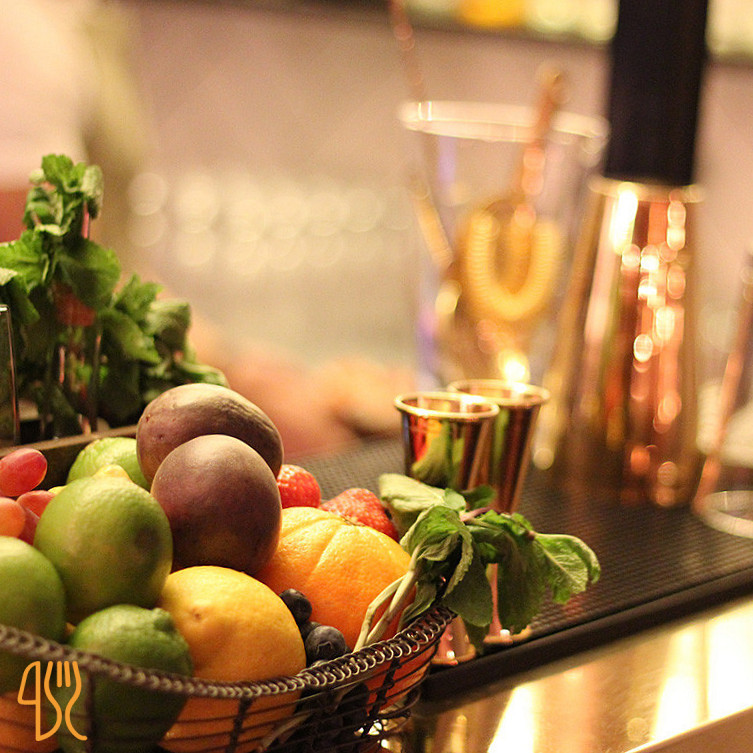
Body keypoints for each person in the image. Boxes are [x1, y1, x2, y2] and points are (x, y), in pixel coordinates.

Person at [0, 0, 411, 459]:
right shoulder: (16, 32)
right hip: (56, 423)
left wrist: (250, 370)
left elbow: (114, 261)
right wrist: (241, 385)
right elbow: (55, 277)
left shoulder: (82, 15)